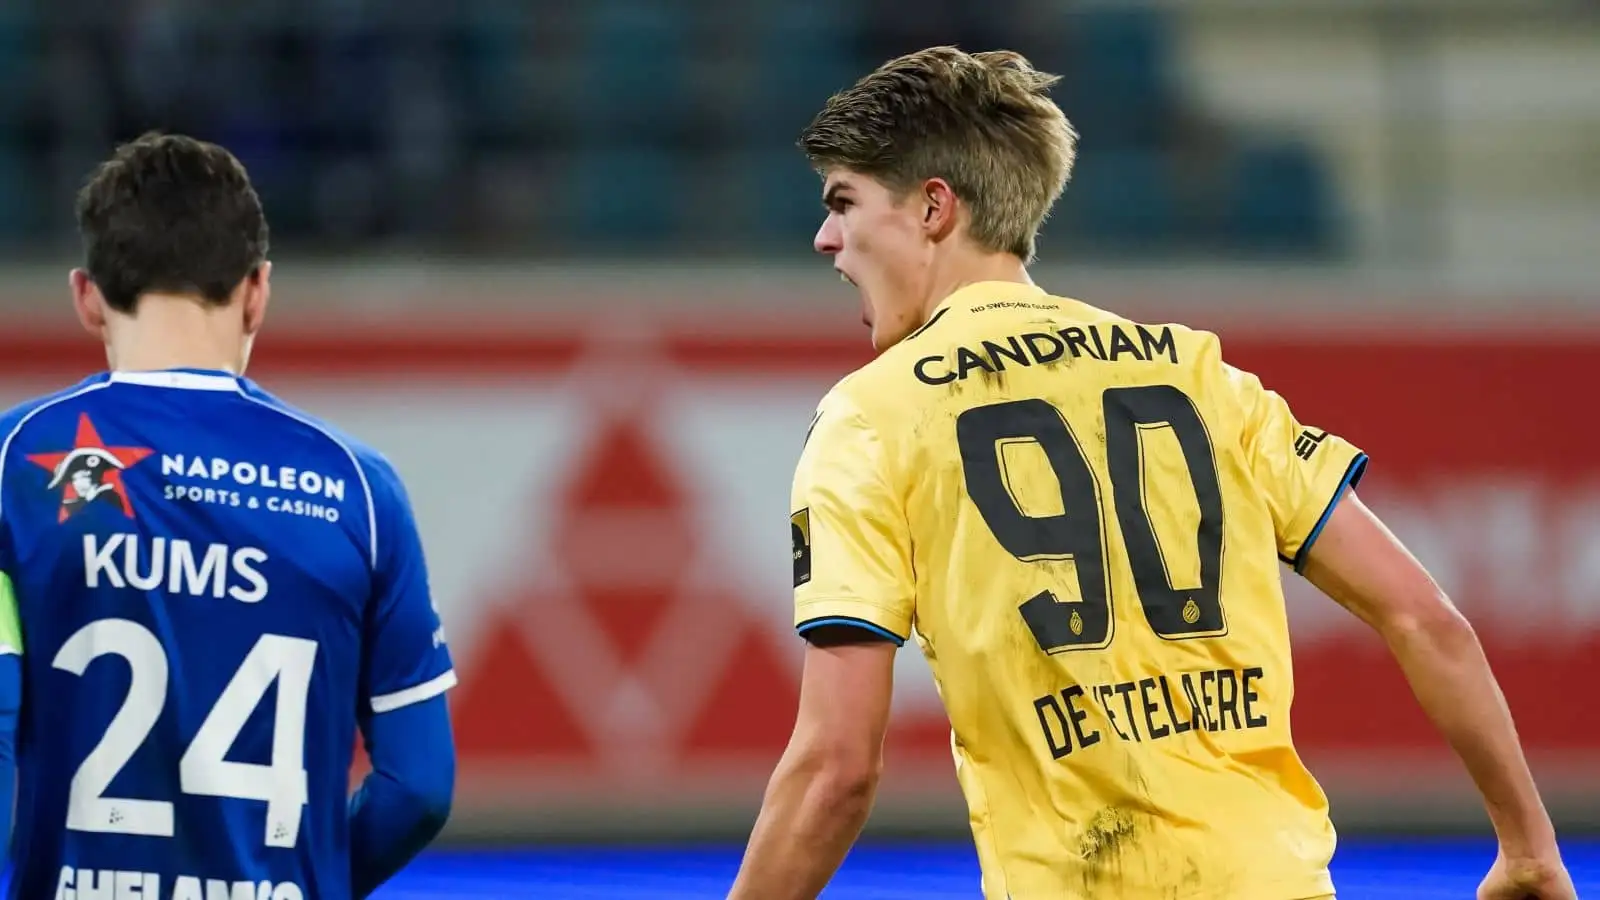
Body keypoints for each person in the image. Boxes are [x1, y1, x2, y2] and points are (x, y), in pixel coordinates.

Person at [726, 47, 1575, 900]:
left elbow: (836, 771)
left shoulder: (871, 417)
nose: (825, 237)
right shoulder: (1201, 374)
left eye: (844, 202)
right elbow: (1428, 618)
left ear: (934, 208)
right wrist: (1529, 848)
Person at [0, 132, 455, 900]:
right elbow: (419, 788)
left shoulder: (15, 462)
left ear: (85, 297)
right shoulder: (359, 490)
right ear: (257, 291)